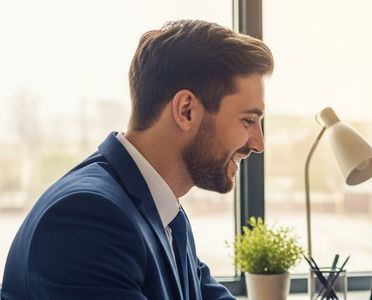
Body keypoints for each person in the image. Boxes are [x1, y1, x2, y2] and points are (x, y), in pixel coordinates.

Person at [2, 20, 271, 299]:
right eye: (247, 120)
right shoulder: (89, 218)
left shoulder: (165, 213)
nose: (258, 144)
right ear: (186, 110)